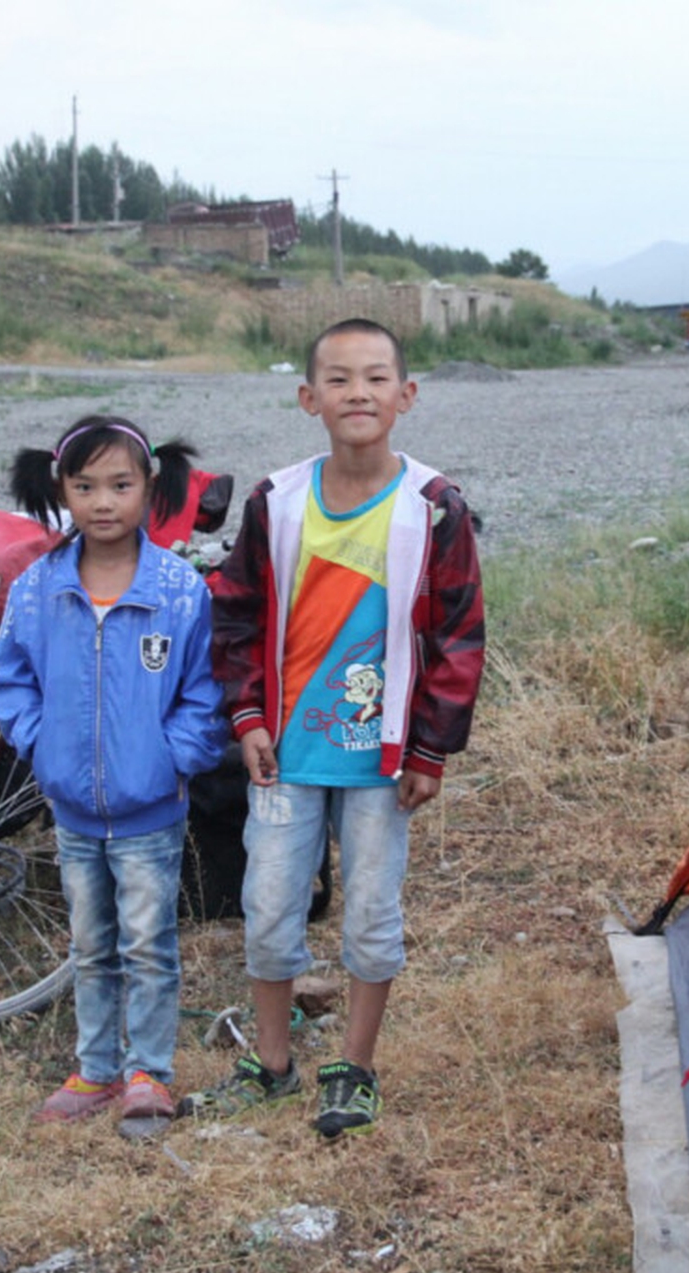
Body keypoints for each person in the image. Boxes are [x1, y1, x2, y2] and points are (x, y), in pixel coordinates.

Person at [184, 317, 485, 1139]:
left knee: (371, 915)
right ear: (308, 397)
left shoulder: (434, 507)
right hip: (285, 754)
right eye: (341, 379)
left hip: (382, 761)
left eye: (378, 377)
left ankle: (354, 1065)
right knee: (270, 904)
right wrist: (246, 716)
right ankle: (273, 1062)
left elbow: (458, 637)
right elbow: (236, 616)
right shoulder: (277, 503)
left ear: (408, 395)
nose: (361, 393)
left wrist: (431, 746)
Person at [0, 414, 227, 1126]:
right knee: (91, 944)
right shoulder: (39, 589)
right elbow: (10, 679)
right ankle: (94, 1070)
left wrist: (169, 759)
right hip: (72, 810)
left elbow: (205, 693)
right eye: (84, 485)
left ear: (151, 485)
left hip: (152, 810)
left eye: (120, 484)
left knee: (149, 942)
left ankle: (147, 1070)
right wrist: (45, 746)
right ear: (59, 488)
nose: (102, 501)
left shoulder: (181, 590)